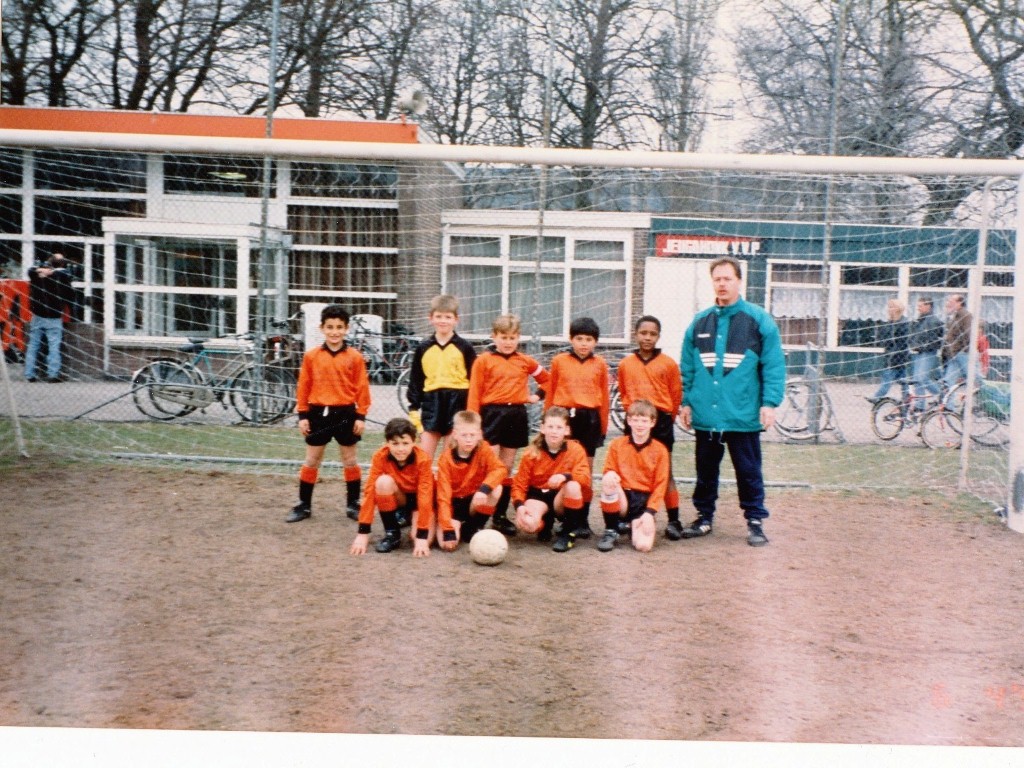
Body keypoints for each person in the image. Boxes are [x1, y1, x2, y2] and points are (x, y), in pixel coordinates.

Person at [678, 256, 785, 548]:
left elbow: (773, 365)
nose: (722, 284)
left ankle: (755, 521)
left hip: (743, 415)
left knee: (748, 471)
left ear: (739, 281)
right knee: (705, 470)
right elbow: (687, 367)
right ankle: (703, 517)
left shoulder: (759, 320)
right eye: (717, 279)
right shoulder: (699, 322)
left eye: (728, 278)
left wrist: (769, 403)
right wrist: (686, 402)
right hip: (706, 416)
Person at [286, 304, 371, 524]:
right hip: (318, 413)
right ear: (322, 328)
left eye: (339, 327)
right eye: (330, 327)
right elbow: (303, 386)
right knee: (312, 460)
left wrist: (361, 416)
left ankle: (353, 504)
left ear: (347, 329)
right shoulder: (312, 356)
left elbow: (362, 388)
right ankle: (304, 505)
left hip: (345, 413)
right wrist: (303, 415)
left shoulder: (355, 357)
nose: (335, 332)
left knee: (350, 460)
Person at [467, 313, 550, 536]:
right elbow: (474, 392)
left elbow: (547, 379)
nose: (508, 342)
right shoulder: (483, 360)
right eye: (503, 337)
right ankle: (478, 516)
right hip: (491, 415)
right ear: (494, 336)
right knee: (489, 467)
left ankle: (500, 516)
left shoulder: (524, 360)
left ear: (518, 338)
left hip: (516, 415)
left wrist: (537, 396)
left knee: (506, 468)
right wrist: (474, 424)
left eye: (512, 337)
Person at [616, 315, 684, 540]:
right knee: (631, 469)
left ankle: (674, 520)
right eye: (643, 333)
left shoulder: (668, 363)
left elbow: (675, 395)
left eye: (652, 334)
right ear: (635, 334)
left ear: (658, 336)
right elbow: (624, 392)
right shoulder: (626, 364)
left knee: (666, 472)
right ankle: (629, 517)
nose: (647, 338)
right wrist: (633, 415)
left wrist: (665, 419)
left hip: (660, 421)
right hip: (635, 420)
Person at [544, 317, 610, 539]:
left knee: (585, 472)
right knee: (560, 466)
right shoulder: (559, 361)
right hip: (564, 418)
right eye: (579, 338)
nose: (583, 343)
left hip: (589, 419)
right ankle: (560, 517)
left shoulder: (600, 364)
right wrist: (547, 420)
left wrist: (602, 427)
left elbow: (604, 398)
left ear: (595, 342)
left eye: (588, 339)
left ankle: (582, 519)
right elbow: (551, 392)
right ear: (571, 339)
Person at [406, 294, 477, 461]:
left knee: (449, 458)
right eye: (438, 316)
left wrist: (472, 408)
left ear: (456, 319)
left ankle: (446, 479)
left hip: (457, 403)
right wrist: (413, 407)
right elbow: (416, 379)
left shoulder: (465, 347)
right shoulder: (423, 347)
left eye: (448, 317)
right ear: (430, 318)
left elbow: (474, 379)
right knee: (423, 458)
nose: (443, 321)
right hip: (432, 403)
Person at [510, 407, 590, 553]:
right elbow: (519, 484)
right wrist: (519, 506)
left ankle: (568, 533)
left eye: (559, 427)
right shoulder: (531, 453)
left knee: (573, 486)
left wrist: (565, 476)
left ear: (567, 430)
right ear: (542, 428)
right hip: (539, 496)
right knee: (528, 524)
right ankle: (545, 522)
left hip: (560, 497)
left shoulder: (576, 449)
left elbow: (585, 476)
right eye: (550, 427)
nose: (554, 431)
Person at [428, 410, 508, 556]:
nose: (469, 440)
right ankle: (452, 524)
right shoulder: (445, 459)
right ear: (455, 434)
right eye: (464, 435)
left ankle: (474, 526)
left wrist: (484, 489)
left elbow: (500, 469)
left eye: (472, 435)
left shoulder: (484, 449)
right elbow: (443, 497)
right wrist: (448, 529)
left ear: (479, 434)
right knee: (447, 544)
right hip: (453, 505)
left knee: (496, 488)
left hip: (473, 500)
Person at [351, 417, 435, 555]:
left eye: (405, 443)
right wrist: (363, 533)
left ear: (414, 442)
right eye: (395, 443)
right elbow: (369, 492)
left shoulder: (423, 459)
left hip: (419, 500)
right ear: (387, 443)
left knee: (420, 539)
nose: (400, 449)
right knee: (382, 482)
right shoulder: (380, 456)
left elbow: (425, 496)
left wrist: (422, 535)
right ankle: (392, 534)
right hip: (401, 498)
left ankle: (413, 517)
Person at [597, 399, 671, 553]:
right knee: (608, 480)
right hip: (623, 497)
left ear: (652, 423)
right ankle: (611, 530)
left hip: (643, 502)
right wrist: (610, 473)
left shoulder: (660, 450)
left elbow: (661, 485)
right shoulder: (617, 444)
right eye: (635, 420)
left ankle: (632, 525)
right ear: (629, 421)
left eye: (644, 421)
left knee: (643, 546)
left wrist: (650, 512)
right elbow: (608, 469)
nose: (639, 425)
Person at [24, 252, 74, 382]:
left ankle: (29, 374)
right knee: (54, 346)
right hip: (54, 317)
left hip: (38, 315)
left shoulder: (37, 274)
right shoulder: (62, 276)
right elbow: (70, 292)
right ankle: (52, 374)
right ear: (62, 264)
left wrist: (41, 270)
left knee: (33, 345)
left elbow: (30, 270)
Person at [866, 299, 911, 404]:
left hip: (899, 355)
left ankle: (877, 397)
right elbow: (884, 338)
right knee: (903, 379)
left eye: (892, 307)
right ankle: (906, 397)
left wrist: (894, 351)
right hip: (890, 354)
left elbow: (903, 341)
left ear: (898, 309)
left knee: (888, 378)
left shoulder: (904, 323)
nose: (889, 309)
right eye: (889, 307)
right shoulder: (889, 323)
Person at [908, 297, 943, 411]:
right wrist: (913, 343)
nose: (918, 308)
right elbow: (914, 335)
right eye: (918, 306)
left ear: (928, 306)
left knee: (922, 378)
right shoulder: (919, 320)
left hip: (928, 352)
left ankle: (941, 395)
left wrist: (921, 345)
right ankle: (920, 405)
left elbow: (934, 339)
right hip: (919, 352)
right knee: (917, 379)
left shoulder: (933, 321)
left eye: (921, 305)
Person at [941, 293, 972, 390]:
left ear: (959, 303)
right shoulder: (953, 316)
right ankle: (949, 401)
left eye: (951, 301)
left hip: (961, 353)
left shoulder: (965, 315)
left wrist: (963, 349)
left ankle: (986, 394)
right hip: (954, 353)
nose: (948, 303)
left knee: (973, 377)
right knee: (948, 380)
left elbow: (968, 334)